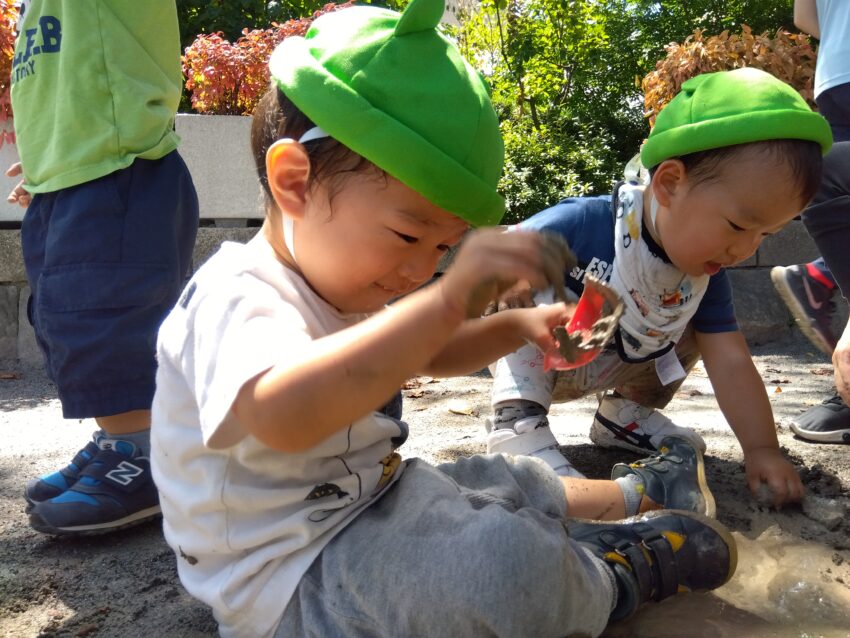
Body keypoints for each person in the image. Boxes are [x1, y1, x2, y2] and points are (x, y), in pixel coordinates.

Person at [150, 1, 736, 635]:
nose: (419, 270)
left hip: (371, 503)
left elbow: (428, 351)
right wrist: (449, 296)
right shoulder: (236, 295)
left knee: (502, 478)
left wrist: (512, 328)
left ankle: (640, 494)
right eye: (407, 236)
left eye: (440, 249)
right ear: (295, 182)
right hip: (293, 580)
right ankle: (610, 575)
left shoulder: (340, 288)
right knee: (502, 567)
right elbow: (282, 417)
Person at [484, 67, 831, 505]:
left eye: (765, 236)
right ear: (669, 183)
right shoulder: (590, 225)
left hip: (614, 357)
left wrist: (762, 449)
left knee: (701, 329)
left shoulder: (702, 275)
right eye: (739, 225)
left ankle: (621, 415)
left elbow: (731, 361)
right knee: (520, 293)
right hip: (547, 352)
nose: (744, 249)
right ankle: (517, 424)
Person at [6, 1, 199, 535]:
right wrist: (51, 150)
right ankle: (121, 439)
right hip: (67, 173)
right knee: (63, 318)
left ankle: (144, 453)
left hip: (116, 167)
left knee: (104, 315)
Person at [770, 0, 850, 443]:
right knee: (832, 184)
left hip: (835, 74)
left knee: (832, 184)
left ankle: (821, 274)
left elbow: (805, 18)